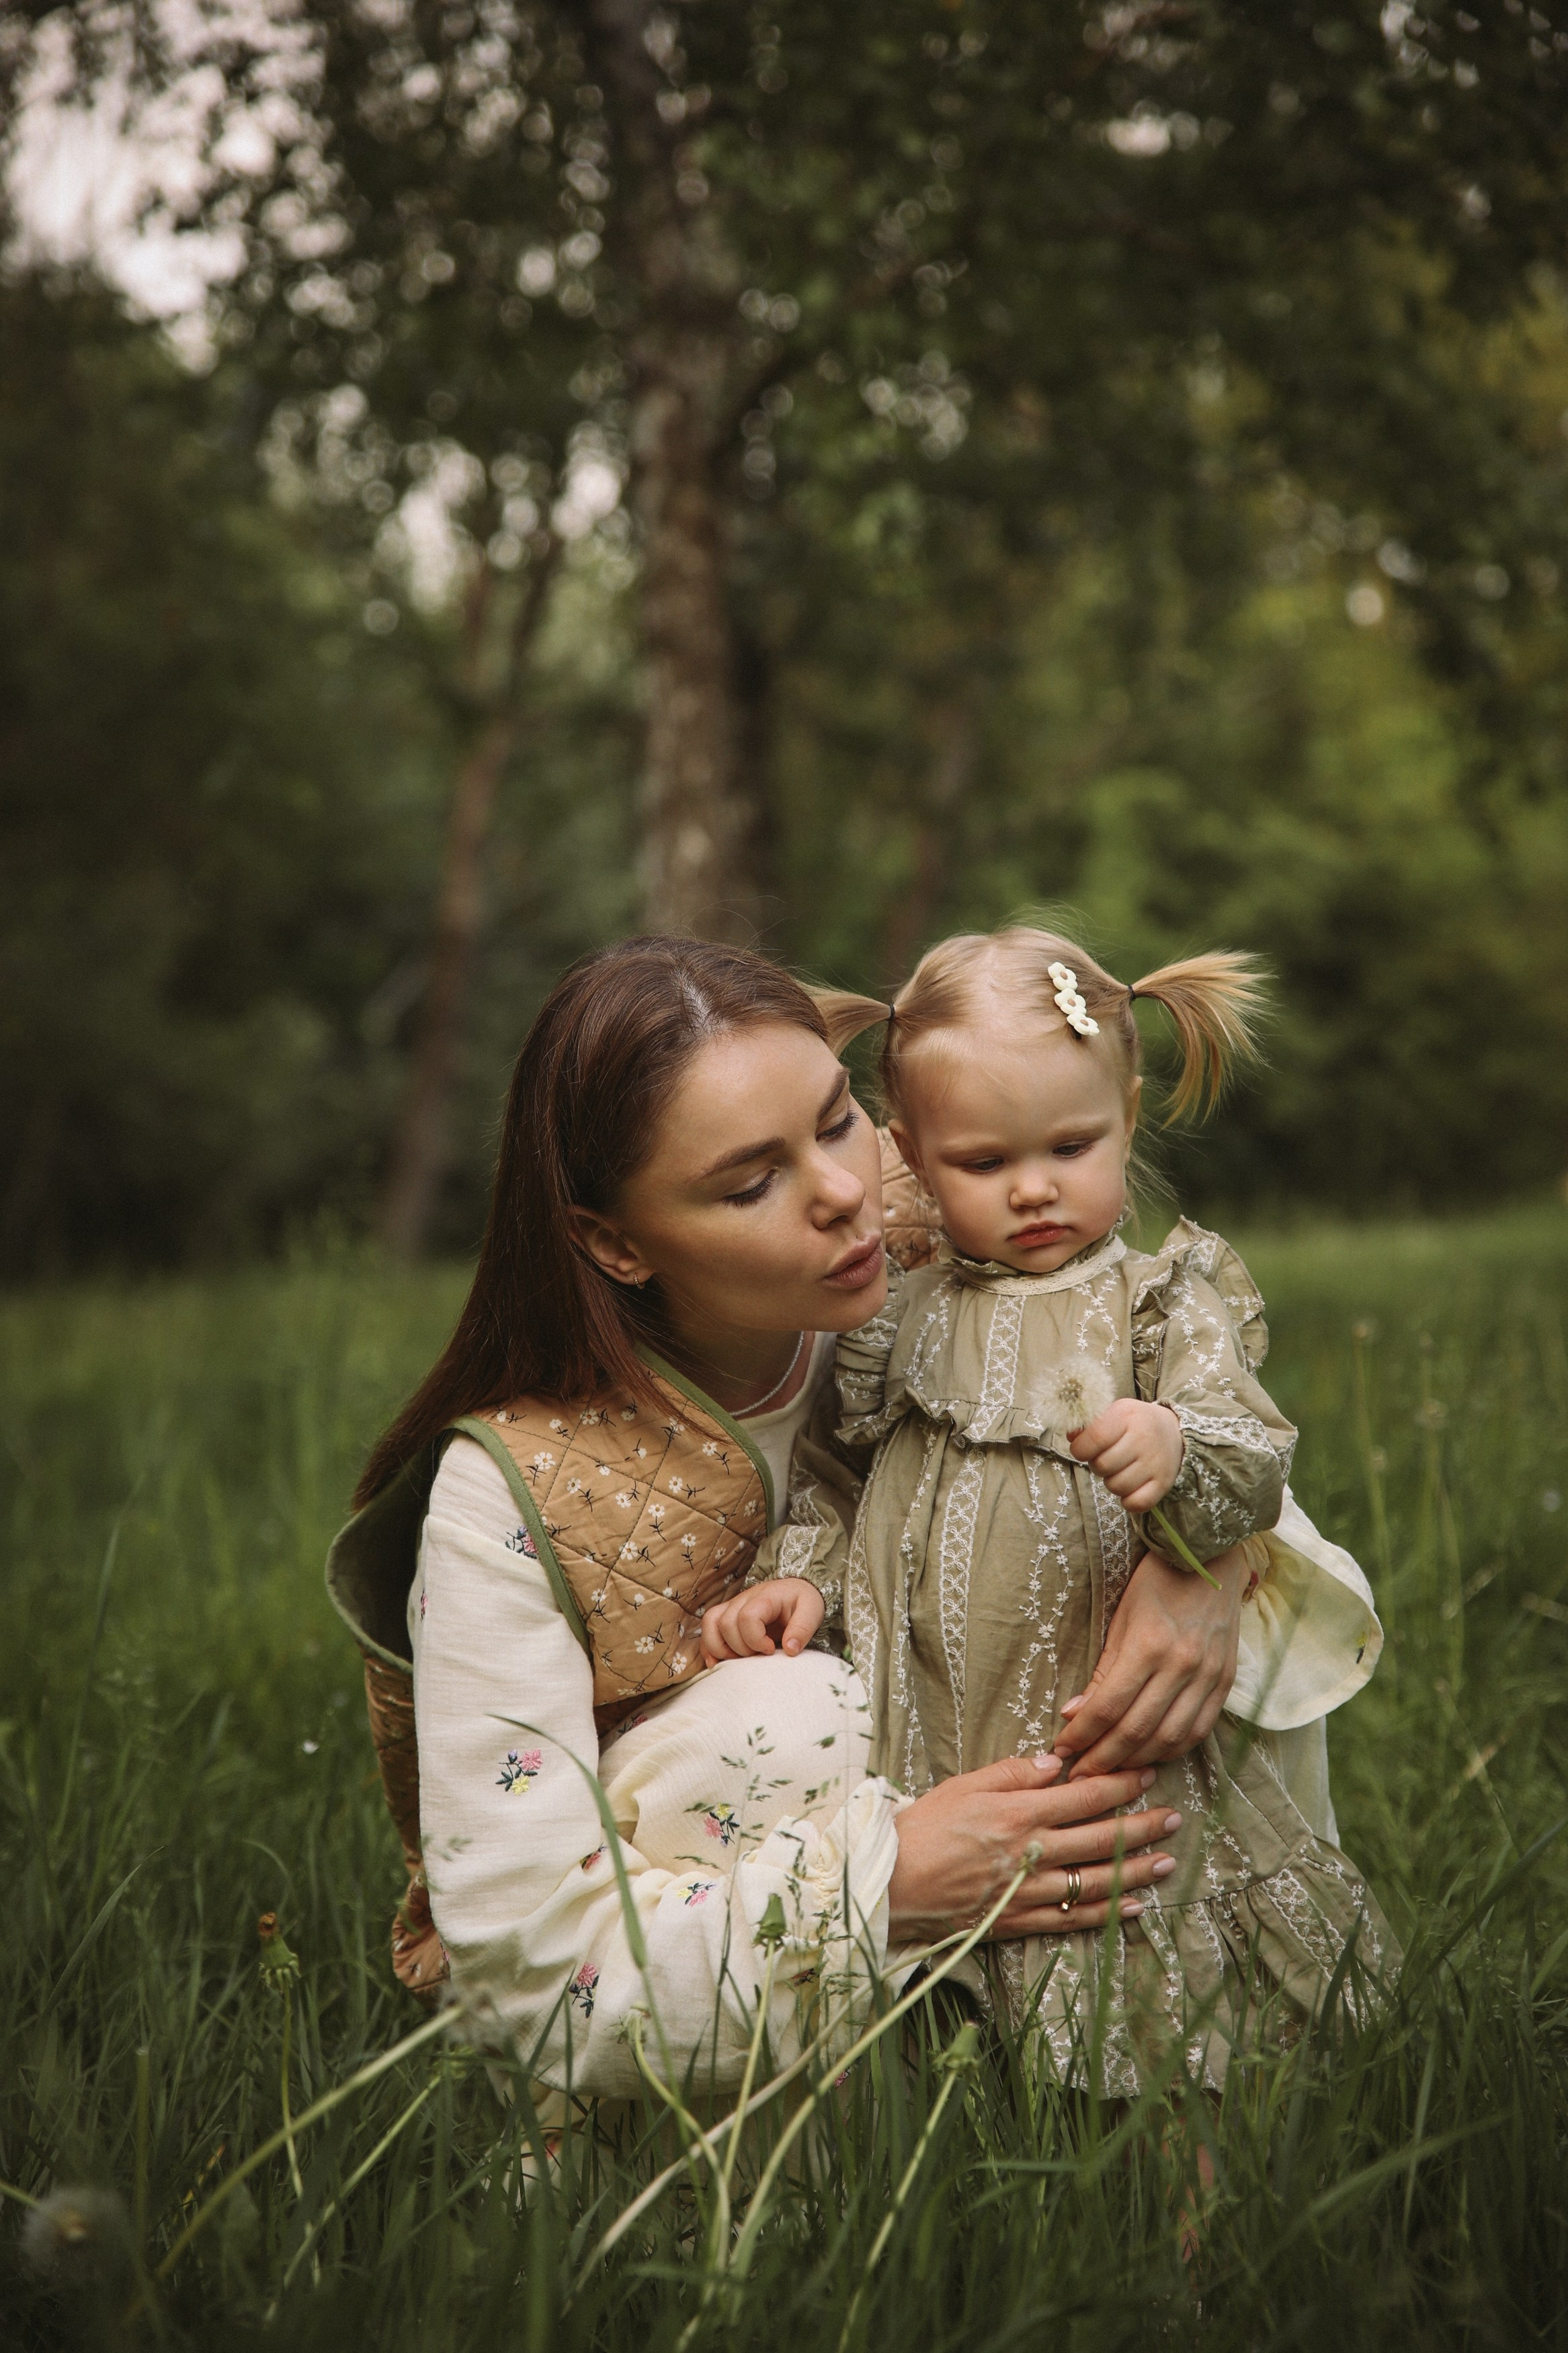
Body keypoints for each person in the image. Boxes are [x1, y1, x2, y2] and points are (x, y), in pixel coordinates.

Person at [326, 936, 1198, 2104]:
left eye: (839, 1121)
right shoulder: (510, 1495)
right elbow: (523, 1969)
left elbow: (1200, 1409)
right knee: (784, 1711)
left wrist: (1212, 1567)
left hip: (1073, 1938)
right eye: (750, 1185)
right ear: (613, 1242)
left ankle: (1132, 2089)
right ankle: (787, 2176)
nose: (845, 1192)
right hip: (714, 2069)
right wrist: (884, 1887)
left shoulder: (971, 1233)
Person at [706, 925, 1393, 2090]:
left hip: (1098, 1705)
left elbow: (1251, 1454)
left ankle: (1185, 2191)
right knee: (961, 1993)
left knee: (1143, 1942)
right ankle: (971, 2133)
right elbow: (833, 1477)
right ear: (912, 1156)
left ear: (1127, 1112)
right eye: (982, 1164)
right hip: (931, 1713)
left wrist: (1174, 1448)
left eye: (1072, 1145)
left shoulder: (1158, 1299)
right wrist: (801, 1576)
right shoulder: (895, 1319)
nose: (1033, 1189)